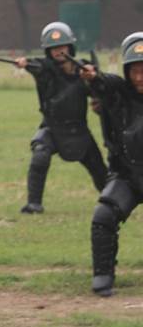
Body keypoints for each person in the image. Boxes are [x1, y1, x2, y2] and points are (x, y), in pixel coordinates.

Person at [12, 21, 108, 213]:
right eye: (53, 48)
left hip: (79, 130)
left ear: (70, 47)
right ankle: (34, 203)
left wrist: (94, 82)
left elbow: (100, 91)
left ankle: (113, 202)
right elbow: (32, 64)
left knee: (100, 170)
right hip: (52, 128)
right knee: (40, 155)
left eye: (62, 47)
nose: (58, 51)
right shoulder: (43, 69)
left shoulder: (84, 70)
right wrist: (23, 63)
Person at [82, 32, 143, 296]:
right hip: (127, 175)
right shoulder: (118, 93)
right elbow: (103, 84)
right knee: (103, 216)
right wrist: (93, 77)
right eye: (135, 71)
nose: (140, 78)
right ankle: (103, 275)